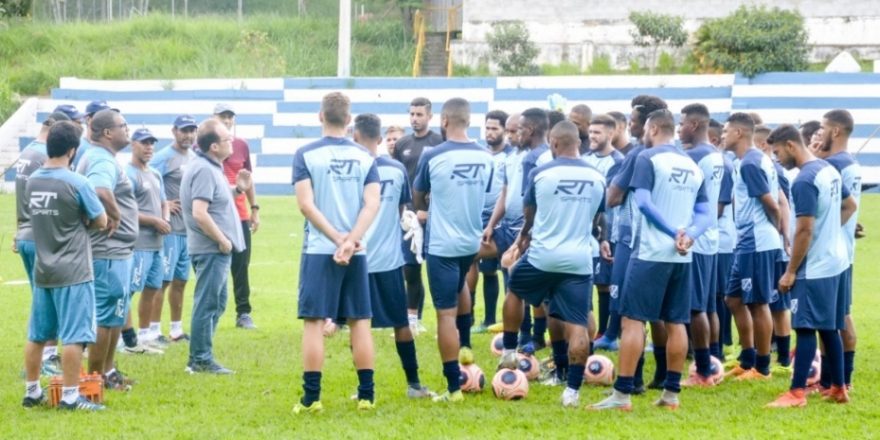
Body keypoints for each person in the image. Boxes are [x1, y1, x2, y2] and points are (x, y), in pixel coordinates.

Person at [590, 109, 711, 411]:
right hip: (682, 256)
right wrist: (689, 235)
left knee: (632, 321)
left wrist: (672, 232)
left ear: (654, 129)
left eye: (644, 129)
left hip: (650, 252)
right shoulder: (692, 164)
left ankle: (622, 395)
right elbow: (705, 213)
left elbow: (643, 203)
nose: (642, 135)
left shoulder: (647, 158)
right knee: (676, 322)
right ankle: (671, 394)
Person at [500, 120, 606, 407]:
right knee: (578, 323)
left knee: (515, 288)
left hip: (543, 256)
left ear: (554, 143)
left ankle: (508, 351)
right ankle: (572, 391)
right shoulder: (597, 177)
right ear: (579, 143)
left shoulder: (541, 173)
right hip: (579, 260)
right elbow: (597, 219)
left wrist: (523, 238)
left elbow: (529, 215)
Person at [291, 92, 381, 413]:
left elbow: (306, 205)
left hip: (320, 249)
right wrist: (351, 240)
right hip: (356, 251)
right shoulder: (365, 156)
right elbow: (372, 204)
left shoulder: (305, 154)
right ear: (349, 119)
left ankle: (311, 399)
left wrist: (336, 238)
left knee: (314, 322)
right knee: (360, 321)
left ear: (320, 116)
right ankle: (367, 396)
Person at [766, 124, 857, 407]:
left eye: (777, 152)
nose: (777, 158)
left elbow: (804, 229)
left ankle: (796, 393)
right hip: (836, 261)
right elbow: (850, 205)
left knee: (805, 327)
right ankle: (839, 387)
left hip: (814, 266)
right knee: (829, 327)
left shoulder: (804, 180)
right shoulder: (828, 169)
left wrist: (791, 271)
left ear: (791, 145)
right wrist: (830, 232)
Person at [412, 97, 494, 403]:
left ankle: (453, 388)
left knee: (444, 315)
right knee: (461, 284)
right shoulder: (486, 156)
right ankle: (466, 345)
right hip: (471, 242)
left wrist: (426, 209)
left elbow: (418, 194)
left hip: (443, 244)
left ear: (443, 121)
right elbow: (484, 192)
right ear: (469, 121)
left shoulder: (433, 155)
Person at [22, 121, 108, 411]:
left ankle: (32, 391)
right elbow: (101, 220)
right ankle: (71, 397)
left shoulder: (33, 180)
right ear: (72, 150)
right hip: (74, 270)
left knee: (38, 335)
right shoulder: (77, 182)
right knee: (75, 335)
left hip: (43, 269)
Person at [353, 113, 433, 398]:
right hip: (389, 260)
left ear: (354, 137)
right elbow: (402, 211)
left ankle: (364, 390)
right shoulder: (397, 169)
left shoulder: (351, 169)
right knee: (400, 322)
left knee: (357, 324)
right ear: (380, 139)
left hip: (357, 258)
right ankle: (414, 384)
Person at [596, 95, 668, 392]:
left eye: (634, 120)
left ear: (648, 124)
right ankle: (663, 374)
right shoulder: (675, 155)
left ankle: (633, 378)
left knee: (630, 313)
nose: (630, 124)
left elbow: (612, 197)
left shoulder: (637, 155)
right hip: (665, 242)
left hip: (631, 239)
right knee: (660, 313)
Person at [180, 119, 250, 374]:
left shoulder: (210, 167)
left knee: (217, 303)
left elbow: (215, 199)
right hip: (211, 249)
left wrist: (237, 190)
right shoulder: (204, 170)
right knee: (207, 303)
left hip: (214, 250)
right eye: (226, 139)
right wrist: (221, 239)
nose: (232, 142)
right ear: (214, 147)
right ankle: (200, 359)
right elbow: (200, 212)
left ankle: (201, 354)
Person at [76, 109, 139, 391]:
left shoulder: (104, 157)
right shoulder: (101, 158)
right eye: (123, 125)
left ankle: (108, 371)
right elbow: (100, 190)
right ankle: (95, 378)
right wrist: (115, 215)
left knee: (116, 314)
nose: (128, 129)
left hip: (118, 251)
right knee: (106, 316)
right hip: (107, 250)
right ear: (108, 133)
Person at [722, 112, 782, 381]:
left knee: (758, 303)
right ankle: (747, 359)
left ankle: (763, 367)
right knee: (733, 299)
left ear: (738, 133)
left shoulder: (750, 163)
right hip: (746, 241)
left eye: (726, 132)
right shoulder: (748, 160)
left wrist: (775, 230)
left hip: (757, 241)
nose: (723, 136)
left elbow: (772, 203)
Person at [13, 111, 71, 376]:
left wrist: (18, 230)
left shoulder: (27, 152)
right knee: (48, 301)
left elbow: (23, 198)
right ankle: (45, 359)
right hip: (41, 237)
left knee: (41, 299)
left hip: (26, 234)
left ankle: (38, 362)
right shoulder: (43, 156)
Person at [678, 103, 725, 386]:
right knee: (707, 307)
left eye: (682, 123)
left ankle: (704, 370)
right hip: (710, 238)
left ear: (694, 125)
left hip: (695, 238)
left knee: (695, 308)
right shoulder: (716, 155)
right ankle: (713, 360)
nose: (679, 129)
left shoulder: (694, 156)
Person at [817, 109, 862, 389]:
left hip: (833, 253)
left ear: (835, 131)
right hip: (845, 250)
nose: (819, 133)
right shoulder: (851, 163)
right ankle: (831, 380)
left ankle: (841, 380)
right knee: (833, 317)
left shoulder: (832, 164)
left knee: (837, 318)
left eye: (822, 128)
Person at [392, 97, 444, 334]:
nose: (414, 118)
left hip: (435, 217)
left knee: (437, 270)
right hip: (410, 217)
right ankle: (412, 319)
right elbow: (398, 178)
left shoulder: (439, 142)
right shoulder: (402, 144)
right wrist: (403, 209)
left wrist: (431, 209)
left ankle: (448, 319)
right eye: (412, 114)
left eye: (419, 114)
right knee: (410, 270)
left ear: (430, 116)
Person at [149, 115, 198, 343]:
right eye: (184, 130)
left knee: (181, 281)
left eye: (192, 130)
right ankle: (153, 330)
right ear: (174, 131)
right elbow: (147, 181)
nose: (188, 135)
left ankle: (176, 329)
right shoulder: (163, 157)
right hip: (169, 230)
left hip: (188, 231)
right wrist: (164, 204)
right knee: (163, 281)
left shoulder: (194, 158)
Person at [214, 103, 261, 330]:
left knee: (241, 266)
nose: (227, 120)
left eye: (230, 116)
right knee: (214, 265)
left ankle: (243, 313)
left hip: (240, 214)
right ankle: (212, 311)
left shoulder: (241, 144)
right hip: (215, 215)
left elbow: (247, 178)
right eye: (223, 116)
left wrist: (255, 209)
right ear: (214, 118)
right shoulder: (202, 145)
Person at [124, 128, 170, 354]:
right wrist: (154, 221)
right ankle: (125, 338)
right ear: (132, 144)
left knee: (152, 288)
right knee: (129, 291)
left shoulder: (155, 174)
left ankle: (144, 335)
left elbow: (164, 202)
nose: (149, 147)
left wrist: (165, 219)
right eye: (144, 143)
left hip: (157, 244)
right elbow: (126, 211)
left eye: (151, 143)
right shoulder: (127, 174)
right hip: (139, 244)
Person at [755, 125, 794, 370]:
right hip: (774, 243)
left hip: (776, 246)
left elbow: (783, 204)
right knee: (773, 303)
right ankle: (774, 351)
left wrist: (783, 237)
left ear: (762, 145)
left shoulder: (772, 169)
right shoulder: (770, 168)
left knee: (778, 304)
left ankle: (782, 356)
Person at [581, 114, 624, 340]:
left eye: (597, 132)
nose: (592, 136)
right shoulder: (584, 159)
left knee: (606, 284)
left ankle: (606, 332)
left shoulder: (618, 161)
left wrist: (602, 234)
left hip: (609, 231)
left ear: (611, 133)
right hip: (587, 230)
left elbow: (605, 199)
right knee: (589, 280)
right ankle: (591, 328)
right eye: (590, 132)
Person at [467, 110, 510, 333]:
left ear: (504, 130)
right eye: (487, 128)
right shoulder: (481, 155)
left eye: (495, 128)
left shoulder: (512, 156)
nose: (490, 132)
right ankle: (476, 316)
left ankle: (505, 320)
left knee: (503, 267)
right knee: (475, 263)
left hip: (502, 217)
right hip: (478, 215)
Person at [72, 100, 116, 168]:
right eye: (102, 117)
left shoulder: (105, 147)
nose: (108, 120)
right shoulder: (80, 148)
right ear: (88, 120)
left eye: (109, 117)